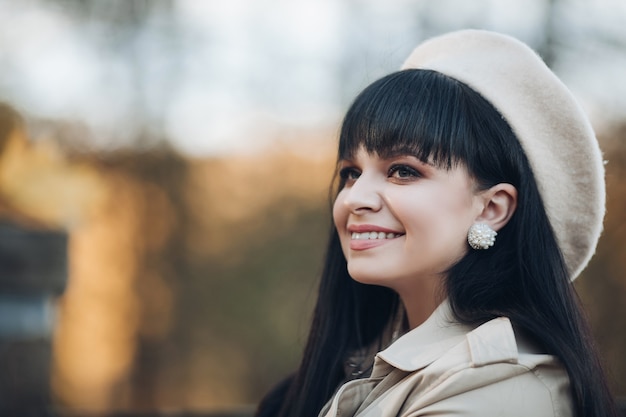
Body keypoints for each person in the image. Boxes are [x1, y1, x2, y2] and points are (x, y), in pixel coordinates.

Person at [256, 29, 618, 417]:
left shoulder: (494, 389)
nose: (355, 198)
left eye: (402, 171)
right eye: (351, 172)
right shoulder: (343, 373)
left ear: (492, 209)